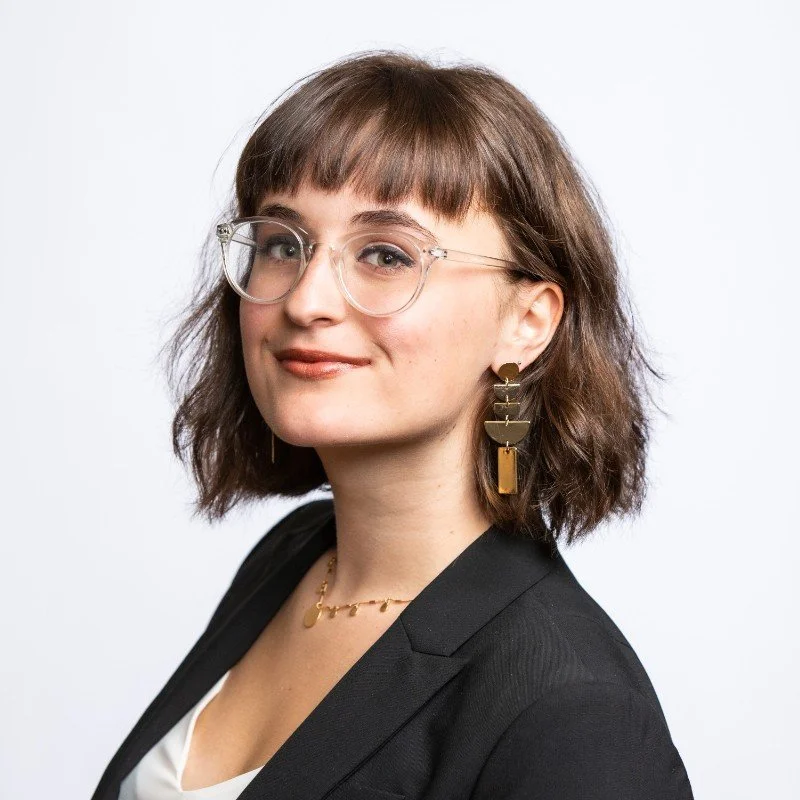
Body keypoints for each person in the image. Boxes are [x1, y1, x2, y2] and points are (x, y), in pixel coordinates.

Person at [91, 50, 695, 799]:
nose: (306, 300)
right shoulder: (293, 560)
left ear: (527, 321)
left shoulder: (573, 710)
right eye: (282, 244)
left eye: (385, 254)